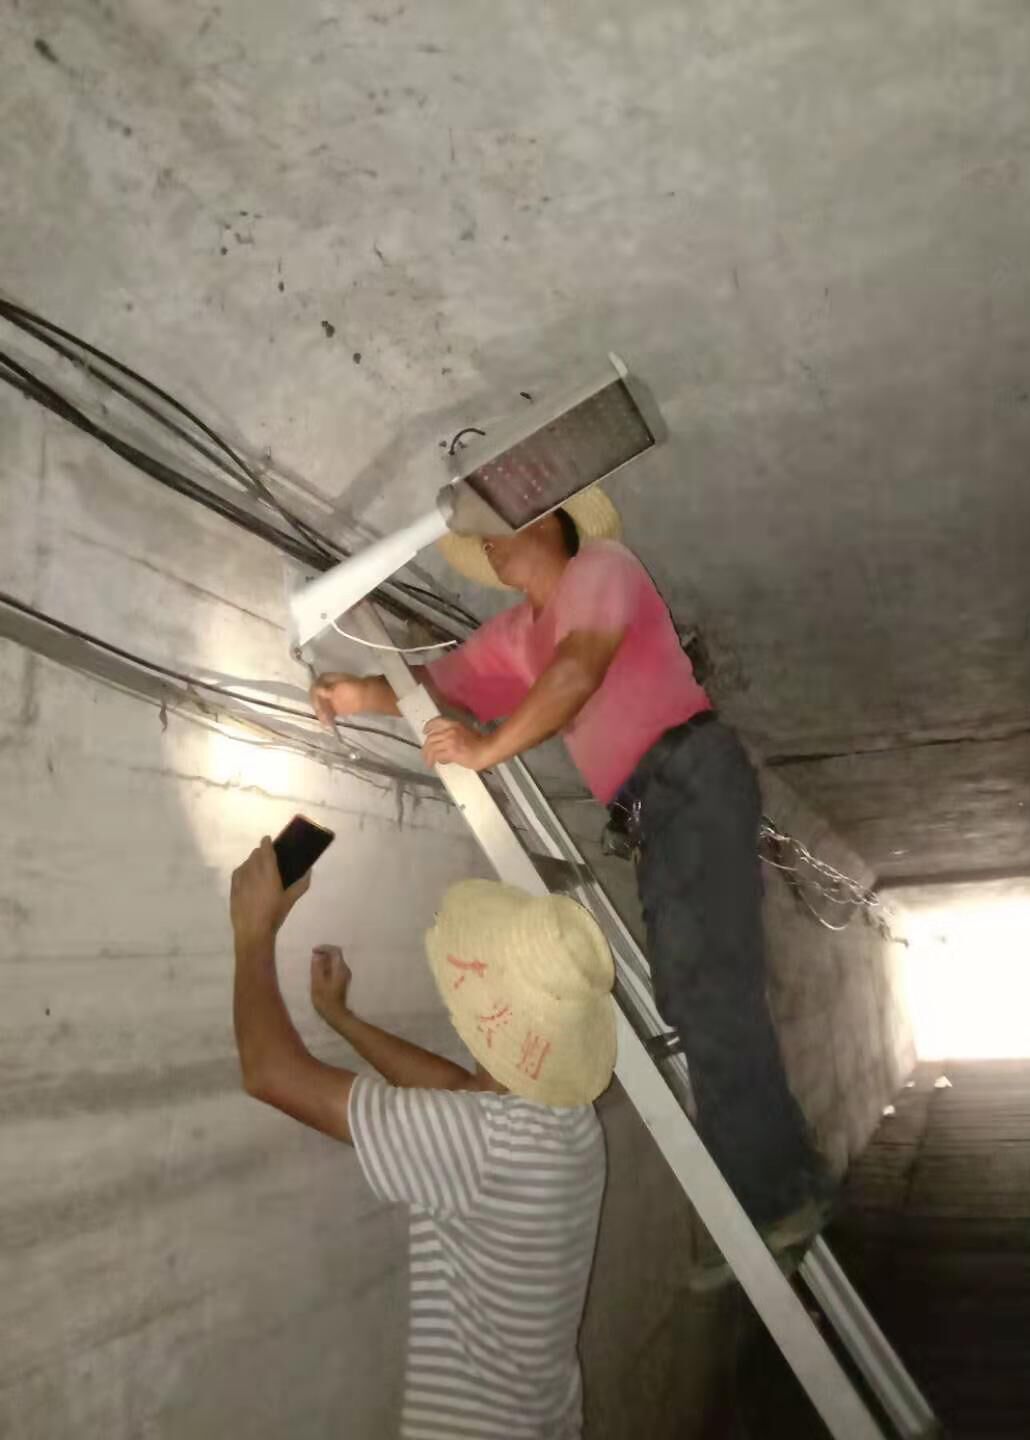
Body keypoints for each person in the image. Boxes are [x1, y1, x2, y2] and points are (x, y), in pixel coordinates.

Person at [311, 487, 828, 1271]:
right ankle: (782, 1180)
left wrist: (487, 750)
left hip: (690, 775)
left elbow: (578, 671)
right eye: (480, 539)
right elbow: (439, 690)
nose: (488, 546)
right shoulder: (516, 635)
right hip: (658, 809)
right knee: (697, 990)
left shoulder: (602, 570)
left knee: (706, 986)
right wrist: (353, 695)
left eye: (498, 529)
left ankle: (776, 1193)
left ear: (552, 522)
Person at [229, 837, 616, 1440]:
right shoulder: (569, 1122)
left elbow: (269, 1072)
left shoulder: (483, 1144)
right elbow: (463, 1090)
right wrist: (344, 1021)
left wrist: (253, 933)